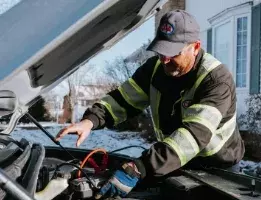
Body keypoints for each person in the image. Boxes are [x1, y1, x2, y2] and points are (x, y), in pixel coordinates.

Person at [55, 10, 245, 199]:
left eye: (173, 53)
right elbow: (123, 99)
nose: (165, 60)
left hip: (219, 171)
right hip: (174, 161)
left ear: (195, 47)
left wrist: (140, 167)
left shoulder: (216, 80)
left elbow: (193, 136)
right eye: (161, 51)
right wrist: (90, 120)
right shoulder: (155, 69)